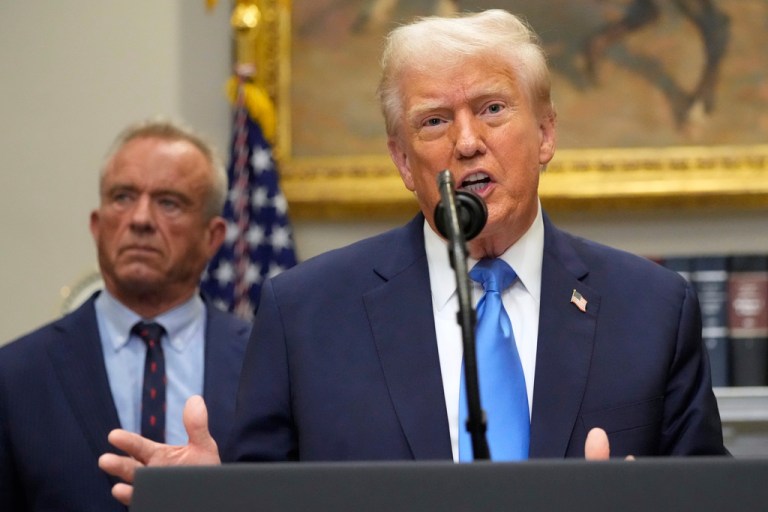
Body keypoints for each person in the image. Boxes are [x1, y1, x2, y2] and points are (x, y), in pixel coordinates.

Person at [100, 9, 727, 505]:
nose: (467, 142)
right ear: (403, 161)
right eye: (433, 122)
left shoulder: (650, 307)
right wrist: (222, 499)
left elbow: (715, 500)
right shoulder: (306, 313)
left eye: (492, 109)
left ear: (545, 134)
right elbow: (266, 497)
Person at [0, 119, 251, 512]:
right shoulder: (15, 375)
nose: (140, 220)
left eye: (169, 202)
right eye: (122, 197)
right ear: (97, 227)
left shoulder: (264, 363)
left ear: (212, 237)